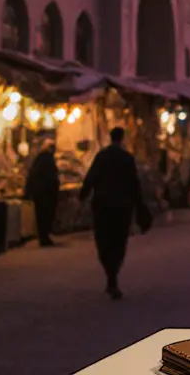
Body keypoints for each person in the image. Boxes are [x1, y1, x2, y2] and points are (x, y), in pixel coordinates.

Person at [79, 127, 148, 299]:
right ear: (122, 138)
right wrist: (139, 205)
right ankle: (113, 275)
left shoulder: (102, 156)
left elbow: (91, 177)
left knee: (103, 240)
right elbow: (134, 184)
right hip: (122, 207)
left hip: (102, 205)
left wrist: (83, 195)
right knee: (119, 241)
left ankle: (110, 274)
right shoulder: (126, 158)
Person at [24, 139, 59, 247]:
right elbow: (51, 177)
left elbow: (32, 175)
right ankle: (45, 237)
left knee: (41, 215)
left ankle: (43, 236)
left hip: (40, 192)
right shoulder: (47, 159)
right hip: (46, 192)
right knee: (46, 215)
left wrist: (28, 191)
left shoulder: (39, 160)